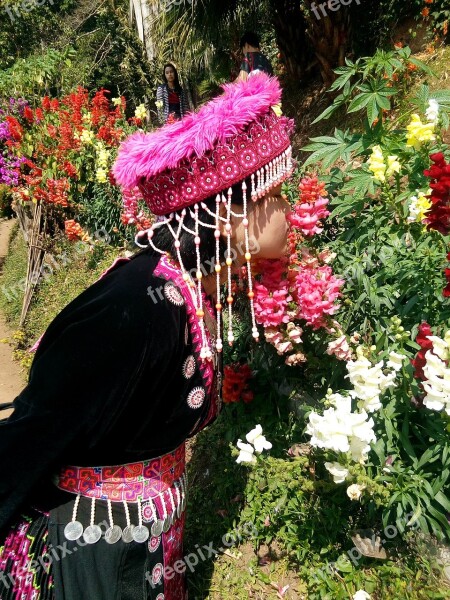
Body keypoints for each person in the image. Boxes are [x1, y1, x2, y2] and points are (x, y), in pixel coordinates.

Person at [0, 73, 294, 600]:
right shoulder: (137, 309)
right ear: (229, 216)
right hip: (94, 553)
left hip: (145, 537)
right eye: (274, 193)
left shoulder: (190, 288)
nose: (288, 208)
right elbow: (40, 425)